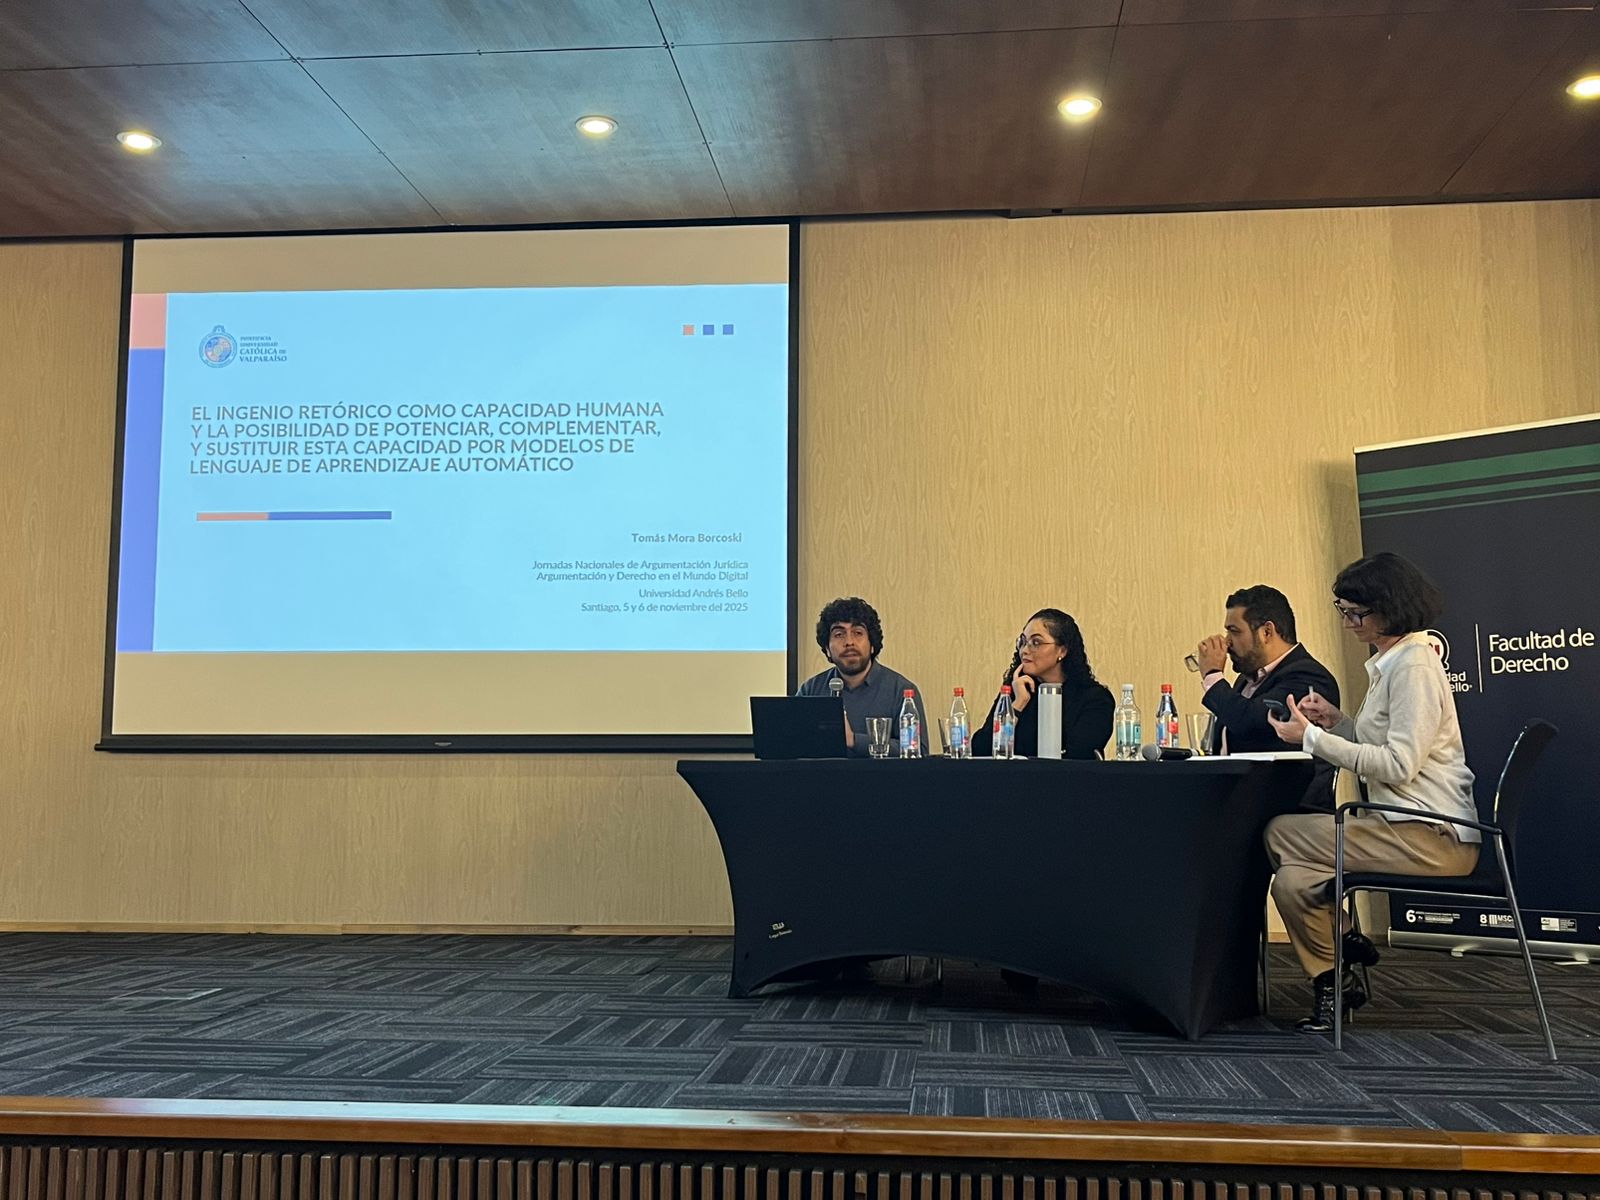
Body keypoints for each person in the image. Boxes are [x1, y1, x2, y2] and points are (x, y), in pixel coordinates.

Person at [1264, 552, 1479, 1033]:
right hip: (1399, 826)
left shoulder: (1414, 668)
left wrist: (1313, 739)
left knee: (1279, 832)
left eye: (1355, 614)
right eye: (1343, 611)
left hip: (1433, 836)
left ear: (1389, 608)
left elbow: (1399, 765)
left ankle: (1342, 939)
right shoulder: (1394, 663)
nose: (1347, 624)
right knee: (1292, 884)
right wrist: (1337, 722)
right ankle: (1335, 985)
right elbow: (1380, 744)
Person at [1192, 584, 1340, 808]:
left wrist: (1213, 675)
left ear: (1266, 632)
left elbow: (1252, 722)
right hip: (1240, 803)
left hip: (1290, 808)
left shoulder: (1308, 676)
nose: (1227, 642)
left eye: (1234, 631)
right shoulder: (1245, 680)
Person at [970, 609, 1113, 759]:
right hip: (1015, 775)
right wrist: (1017, 705)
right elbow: (980, 750)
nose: (1025, 650)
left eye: (1036, 642)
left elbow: (1079, 755)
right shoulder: (1016, 692)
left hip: (1067, 775)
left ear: (1062, 651)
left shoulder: (1095, 699)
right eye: (1023, 642)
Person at [796, 596, 926, 757]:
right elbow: (794, 747)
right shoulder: (811, 690)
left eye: (858, 633)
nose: (849, 642)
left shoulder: (902, 691)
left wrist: (854, 741)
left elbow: (918, 751)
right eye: (839, 634)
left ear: (872, 645)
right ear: (827, 649)